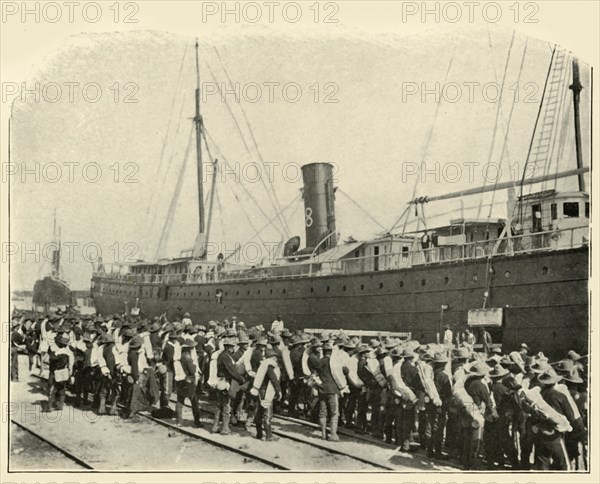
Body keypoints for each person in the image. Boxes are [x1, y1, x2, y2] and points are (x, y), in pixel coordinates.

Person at [213, 337, 244, 435]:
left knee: (219, 405)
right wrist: (241, 379)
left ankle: (215, 426)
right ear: (227, 347)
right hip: (225, 382)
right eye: (231, 346)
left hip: (220, 382)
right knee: (226, 405)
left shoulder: (222, 355)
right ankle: (225, 428)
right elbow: (232, 371)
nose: (232, 348)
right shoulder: (226, 356)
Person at [253, 348, 282, 441]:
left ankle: (259, 433)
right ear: (272, 358)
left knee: (259, 412)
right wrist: (279, 391)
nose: (276, 359)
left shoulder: (263, 365)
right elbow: (274, 379)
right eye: (275, 357)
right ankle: (269, 436)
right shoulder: (269, 366)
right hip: (266, 391)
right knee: (267, 413)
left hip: (259, 390)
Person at [316, 342, 340, 441]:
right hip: (333, 389)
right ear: (331, 352)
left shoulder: (320, 361)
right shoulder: (333, 362)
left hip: (322, 389)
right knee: (334, 412)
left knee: (323, 412)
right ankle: (333, 434)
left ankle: (323, 434)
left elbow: (315, 373)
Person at [45, 333, 74, 412]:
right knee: (62, 388)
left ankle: (50, 405)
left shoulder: (56, 351)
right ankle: (60, 405)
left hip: (55, 372)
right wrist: (70, 373)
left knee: (52, 388)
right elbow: (71, 364)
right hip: (64, 372)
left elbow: (49, 360)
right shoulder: (69, 352)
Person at [176, 338, 202, 428]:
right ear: (190, 348)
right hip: (189, 381)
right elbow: (192, 370)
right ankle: (197, 422)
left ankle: (179, 421)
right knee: (194, 402)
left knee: (180, 401)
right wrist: (194, 365)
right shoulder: (188, 358)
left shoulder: (181, 356)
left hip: (181, 381)